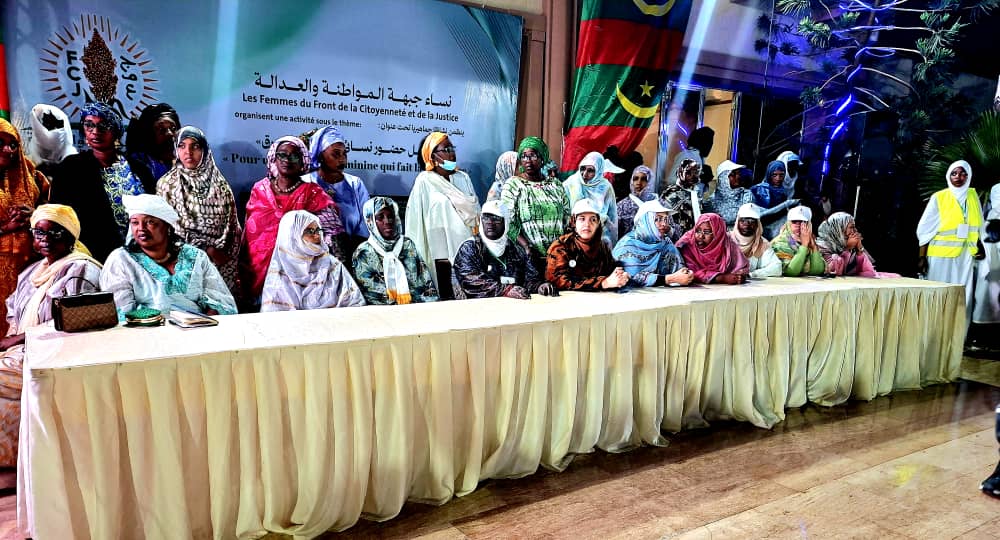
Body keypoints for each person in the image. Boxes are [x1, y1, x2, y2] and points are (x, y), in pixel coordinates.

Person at [0, 204, 102, 467]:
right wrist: (11, 343)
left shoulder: (81, 270)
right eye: (39, 233)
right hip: (25, 350)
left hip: (56, 354)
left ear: (71, 236)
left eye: (54, 232)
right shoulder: (32, 272)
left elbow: (76, 321)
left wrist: (18, 340)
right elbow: (13, 312)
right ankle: (16, 464)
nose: (44, 239)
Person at [241, 136, 344, 307]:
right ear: (274, 158)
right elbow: (248, 234)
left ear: (303, 161)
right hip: (257, 274)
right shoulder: (259, 189)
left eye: (294, 156)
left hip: (299, 277)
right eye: (282, 155)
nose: (287, 160)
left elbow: (331, 235)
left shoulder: (313, 193)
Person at [49, 102, 156, 262]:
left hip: (141, 252)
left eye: (103, 125)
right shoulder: (71, 168)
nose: (95, 131)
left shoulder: (139, 168)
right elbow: (59, 213)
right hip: (92, 255)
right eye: (89, 125)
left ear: (116, 130)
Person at [100, 194, 236, 319]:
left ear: (167, 227)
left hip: (197, 329)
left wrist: (204, 324)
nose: (141, 228)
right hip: (147, 333)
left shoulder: (195, 257)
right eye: (135, 222)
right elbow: (121, 314)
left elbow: (220, 301)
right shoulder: (121, 261)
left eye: (150, 222)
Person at [156, 126, 241, 294]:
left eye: (195, 146)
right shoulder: (167, 185)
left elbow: (231, 227)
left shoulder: (221, 186)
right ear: (176, 150)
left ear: (204, 150)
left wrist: (218, 252)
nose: (188, 152)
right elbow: (166, 228)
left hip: (220, 263)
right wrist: (204, 249)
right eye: (182, 146)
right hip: (182, 262)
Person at [405, 132, 480, 287]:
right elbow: (416, 223)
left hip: (467, 247)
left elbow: (476, 212)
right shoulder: (424, 181)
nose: (452, 153)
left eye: (452, 148)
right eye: (446, 150)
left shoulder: (463, 178)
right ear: (432, 156)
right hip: (440, 253)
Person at [917, 159, 984, 325]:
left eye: (963, 173)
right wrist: (922, 257)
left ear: (968, 176)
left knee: (963, 297)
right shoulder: (939, 197)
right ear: (948, 175)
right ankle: (933, 333)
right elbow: (924, 230)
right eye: (954, 173)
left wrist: (980, 246)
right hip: (940, 257)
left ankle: (958, 336)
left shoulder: (973, 196)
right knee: (938, 295)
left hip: (965, 256)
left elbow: (979, 225)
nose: (958, 177)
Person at [261, 210, 364, 311]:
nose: (317, 236)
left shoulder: (332, 264)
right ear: (293, 235)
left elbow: (354, 302)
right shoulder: (279, 272)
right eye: (310, 231)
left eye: (318, 230)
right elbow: (274, 315)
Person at [452, 201, 557, 299]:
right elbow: (472, 282)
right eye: (485, 218)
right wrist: (506, 290)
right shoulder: (470, 248)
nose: (490, 222)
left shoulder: (516, 249)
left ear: (506, 222)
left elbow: (529, 280)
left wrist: (539, 287)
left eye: (496, 218)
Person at [0, 119, 46, 336]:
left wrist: (35, 215)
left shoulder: (30, 172)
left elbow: (54, 210)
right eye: (0, 143)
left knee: (28, 320)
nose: (8, 150)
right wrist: (6, 227)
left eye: (13, 144)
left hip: (30, 264)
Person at [500, 137, 570, 274]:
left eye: (533, 155)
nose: (528, 160)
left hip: (557, 256)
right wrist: (527, 246)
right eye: (524, 156)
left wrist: (562, 247)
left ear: (542, 158)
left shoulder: (555, 185)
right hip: (528, 257)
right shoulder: (513, 185)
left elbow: (566, 216)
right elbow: (507, 220)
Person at [353, 197, 438, 305]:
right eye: (380, 217)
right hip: (383, 311)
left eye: (390, 216)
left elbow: (424, 281)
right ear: (370, 221)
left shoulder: (407, 245)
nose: (387, 221)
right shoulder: (363, 252)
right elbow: (371, 294)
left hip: (416, 307)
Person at [305, 125, 370, 262]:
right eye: (336, 154)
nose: (342, 159)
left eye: (344, 154)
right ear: (320, 155)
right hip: (312, 257)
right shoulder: (306, 183)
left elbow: (366, 222)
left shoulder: (355, 184)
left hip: (353, 254)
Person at [545, 199, 629, 291]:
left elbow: (610, 272)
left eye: (593, 219)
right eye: (582, 219)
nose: (587, 224)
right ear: (574, 222)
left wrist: (620, 276)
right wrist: (603, 283)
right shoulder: (561, 247)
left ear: (598, 224)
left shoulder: (602, 248)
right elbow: (558, 281)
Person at [613, 199, 694, 287]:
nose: (664, 224)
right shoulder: (627, 245)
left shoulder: (665, 242)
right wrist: (670, 279)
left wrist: (686, 275)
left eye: (665, 219)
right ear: (645, 222)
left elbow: (679, 269)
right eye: (658, 219)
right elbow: (631, 278)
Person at [563, 151, 619, 246]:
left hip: (600, 234)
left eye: (590, 170)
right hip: (573, 233)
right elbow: (563, 210)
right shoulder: (571, 183)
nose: (584, 174)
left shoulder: (605, 187)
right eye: (583, 168)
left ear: (599, 170)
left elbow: (612, 215)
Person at [676, 213, 749, 284]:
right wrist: (721, 278)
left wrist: (739, 277)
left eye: (706, 232)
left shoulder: (727, 245)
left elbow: (742, 269)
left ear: (718, 234)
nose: (700, 236)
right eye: (697, 231)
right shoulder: (687, 244)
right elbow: (688, 272)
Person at [817, 212, 896, 277]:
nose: (855, 230)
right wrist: (847, 249)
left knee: (895, 277)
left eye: (854, 227)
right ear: (839, 229)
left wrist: (859, 250)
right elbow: (834, 271)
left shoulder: (849, 244)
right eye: (851, 227)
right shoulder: (822, 246)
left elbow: (869, 272)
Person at [125, 103, 180, 181]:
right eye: (161, 129)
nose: (170, 133)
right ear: (148, 135)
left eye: (173, 128)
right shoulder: (135, 166)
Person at [729, 203, 782, 279]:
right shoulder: (725, 240)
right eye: (743, 220)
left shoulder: (762, 244)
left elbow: (777, 268)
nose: (747, 224)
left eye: (752, 221)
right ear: (737, 221)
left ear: (758, 224)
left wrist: (751, 275)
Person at [771, 205, 827, 276]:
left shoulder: (811, 240)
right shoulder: (780, 242)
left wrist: (814, 247)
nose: (798, 225)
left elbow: (817, 271)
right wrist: (804, 246)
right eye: (794, 221)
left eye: (803, 222)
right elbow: (791, 272)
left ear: (809, 225)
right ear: (788, 223)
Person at [751, 160, 800, 239]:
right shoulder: (759, 190)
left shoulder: (783, 192)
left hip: (777, 229)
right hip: (761, 228)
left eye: (781, 175)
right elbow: (760, 213)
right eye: (774, 175)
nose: (778, 178)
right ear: (769, 174)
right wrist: (785, 204)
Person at [26, 103, 76, 178]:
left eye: (58, 126)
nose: (55, 132)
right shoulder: (26, 164)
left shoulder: (76, 164)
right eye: (47, 126)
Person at [659, 158, 702, 240]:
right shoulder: (671, 192)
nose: (692, 176)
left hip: (693, 239)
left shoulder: (696, 193)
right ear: (680, 172)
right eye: (688, 172)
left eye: (696, 172)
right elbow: (663, 219)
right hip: (674, 239)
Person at [704, 160, 754, 226]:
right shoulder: (711, 202)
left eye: (738, 173)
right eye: (733, 174)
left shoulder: (747, 195)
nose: (738, 176)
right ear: (723, 179)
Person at [617, 165, 657, 237]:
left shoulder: (659, 204)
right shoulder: (622, 206)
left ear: (650, 181)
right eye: (635, 179)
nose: (639, 182)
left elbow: (671, 229)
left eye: (643, 179)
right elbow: (614, 232)